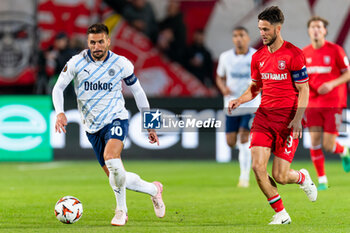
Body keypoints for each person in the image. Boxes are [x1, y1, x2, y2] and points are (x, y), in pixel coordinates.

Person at [52, 23, 165, 226]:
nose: (97, 46)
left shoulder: (121, 63)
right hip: (91, 127)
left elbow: (139, 92)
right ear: (88, 43)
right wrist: (60, 112)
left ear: (108, 41)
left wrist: (150, 123)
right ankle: (154, 190)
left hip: (116, 118)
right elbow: (58, 88)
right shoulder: (76, 62)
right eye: (93, 42)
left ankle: (121, 211)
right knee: (116, 176)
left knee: (111, 158)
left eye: (100, 42)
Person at [228, 6, 317, 224]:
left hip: (288, 121)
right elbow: (255, 87)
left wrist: (297, 119)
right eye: (260, 29)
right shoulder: (258, 57)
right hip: (263, 119)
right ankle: (281, 213)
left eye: (266, 29)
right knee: (257, 167)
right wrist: (240, 99)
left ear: (278, 29)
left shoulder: (294, 54)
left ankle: (302, 177)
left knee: (280, 176)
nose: (262, 33)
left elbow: (304, 89)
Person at [303, 16, 350, 190]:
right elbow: (300, 79)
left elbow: (348, 74)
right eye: (313, 27)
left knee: (329, 146)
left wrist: (331, 83)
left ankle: (344, 151)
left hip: (333, 103)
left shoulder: (335, 50)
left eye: (319, 27)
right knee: (315, 141)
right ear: (309, 31)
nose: (316, 30)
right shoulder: (304, 53)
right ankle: (322, 180)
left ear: (325, 31)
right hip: (313, 104)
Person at [216, 26, 260, 187]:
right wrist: (223, 88)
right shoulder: (225, 57)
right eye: (235, 36)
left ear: (248, 38)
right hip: (231, 104)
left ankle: (244, 177)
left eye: (241, 35)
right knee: (230, 142)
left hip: (251, 104)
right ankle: (247, 152)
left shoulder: (256, 55)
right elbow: (219, 77)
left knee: (243, 136)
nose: (238, 38)